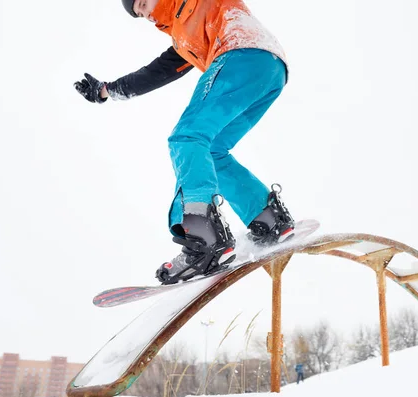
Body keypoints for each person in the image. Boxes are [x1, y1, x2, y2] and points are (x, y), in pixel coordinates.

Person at [74, 0, 295, 284]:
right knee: (212, 150)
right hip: (270, 70)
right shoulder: (182, 38)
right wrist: (107, 91)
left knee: (187, 137)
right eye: (141, 15)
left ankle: (202, 236)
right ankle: (268, 219)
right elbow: (156, 73)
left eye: (143, 4)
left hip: (240, 53)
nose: (149, 16)